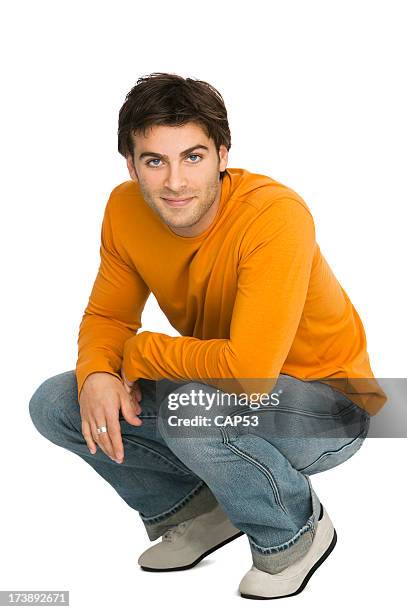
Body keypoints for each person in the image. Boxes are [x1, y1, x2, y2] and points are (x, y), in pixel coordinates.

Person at [29, 72, 387, 600]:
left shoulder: (274, 215)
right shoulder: (125, 209)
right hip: (215, 386)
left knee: (194, 409)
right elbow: (107, 316)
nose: (175, 182)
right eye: (155, 161)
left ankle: (294, 533)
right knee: (59, 402)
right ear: (131, 165)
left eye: (193, 157)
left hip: (327, 405)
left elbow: (250, 373)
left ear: (222, 154)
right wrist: (101, 372)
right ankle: (198, 508)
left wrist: (138, 352)